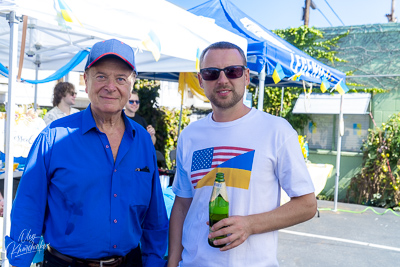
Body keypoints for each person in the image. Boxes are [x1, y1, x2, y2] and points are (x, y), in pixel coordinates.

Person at [5, 39, 168, 267]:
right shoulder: (53, 137)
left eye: (121, 78)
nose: (111, 86)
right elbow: (29, 207)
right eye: (101, 76)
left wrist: (153, 262)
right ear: (86, 80)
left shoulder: (142, 140)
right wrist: (20, 261)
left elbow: (155, 216)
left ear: (132, 85)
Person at [168, 42, 317, 267]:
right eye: (211, 73)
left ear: (246, 76)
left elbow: (307, 204)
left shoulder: (276, 130)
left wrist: (250, 225)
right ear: (201, 80)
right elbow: (182, 205)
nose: (222, 80)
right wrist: (172, 263)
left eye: (233, 71)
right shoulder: (190, 136)